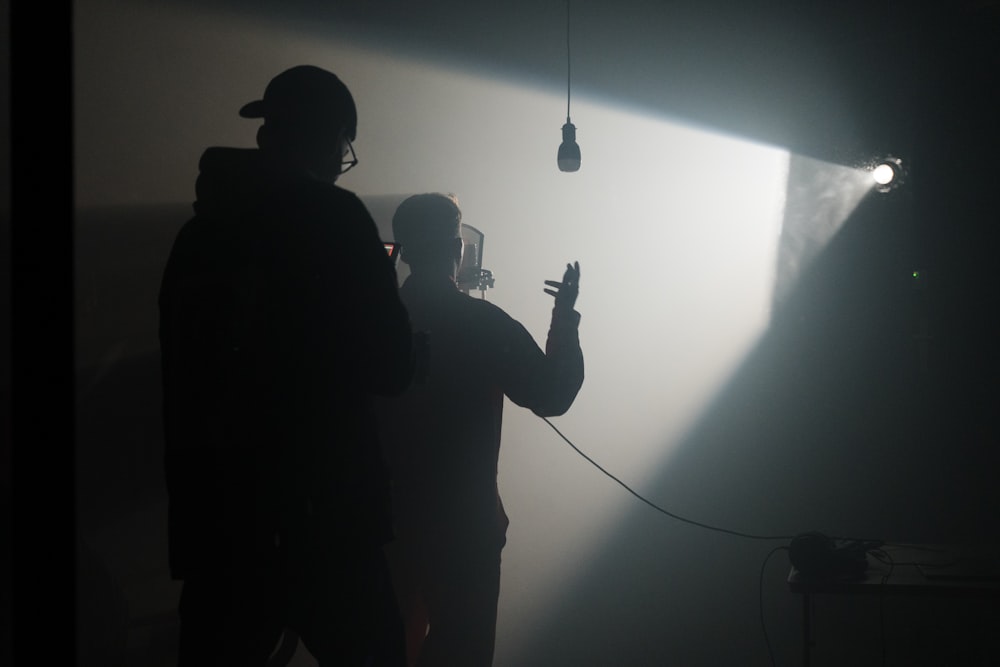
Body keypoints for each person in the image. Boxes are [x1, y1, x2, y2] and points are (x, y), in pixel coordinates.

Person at [158, 65, 412, 666]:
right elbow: (391, 367)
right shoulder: (338, 221)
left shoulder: (198, 236)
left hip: (219, 524)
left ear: (266, 133)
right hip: (327, 520)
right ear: (331, 141)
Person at [377, 193, 585, 666]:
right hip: (465, 528)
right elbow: (553, 395)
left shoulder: (371, 325)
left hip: (385, 524)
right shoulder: (483, 324)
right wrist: (564, 318)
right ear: (459, 249)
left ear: (404, 251)